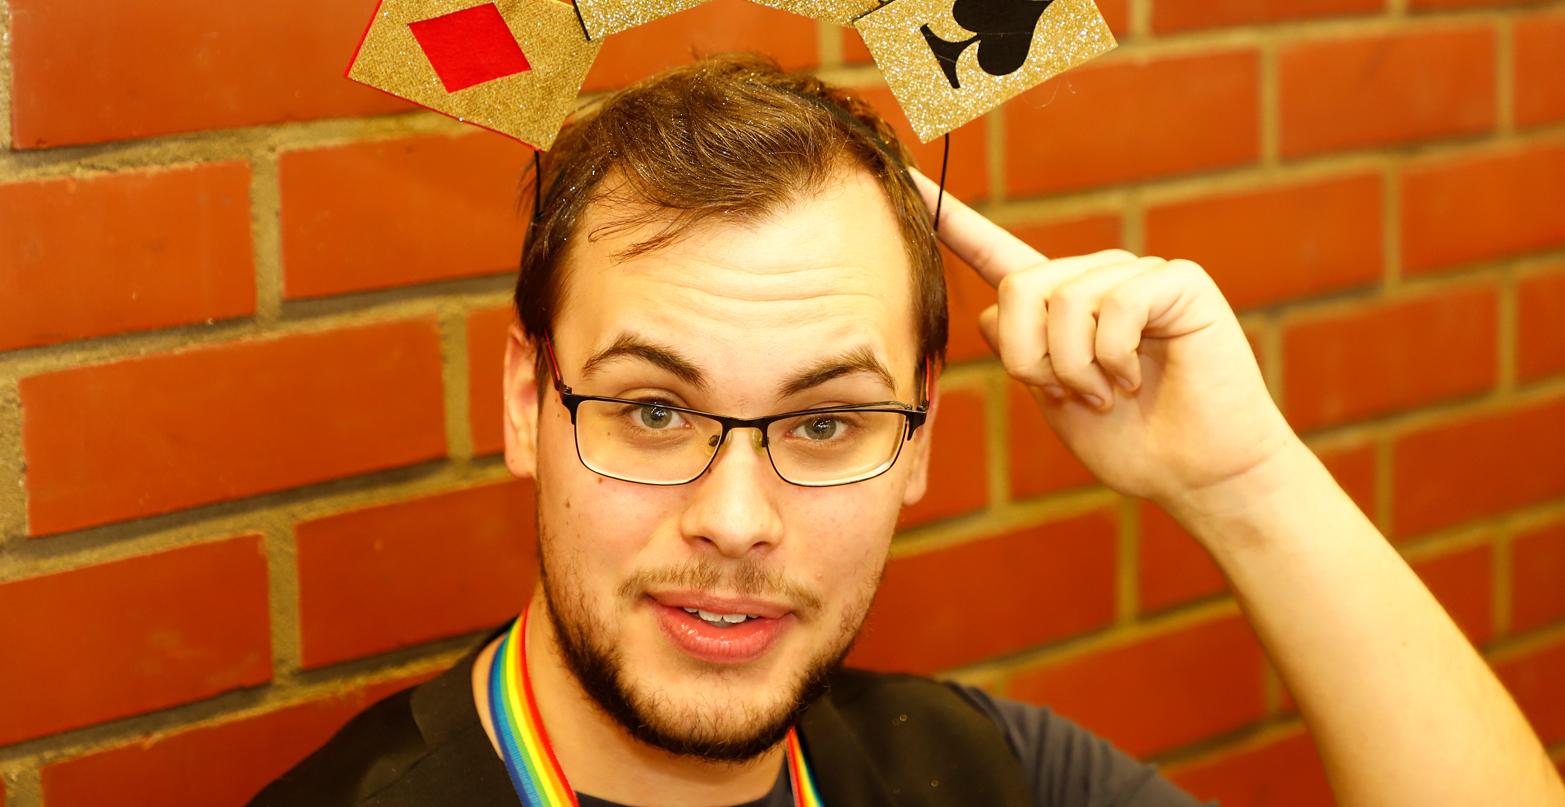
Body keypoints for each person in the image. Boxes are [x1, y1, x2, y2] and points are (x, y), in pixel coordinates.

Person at [251, 56, 1563, 807]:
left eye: (825, 421)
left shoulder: (984, 777)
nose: (736, 521)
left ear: (921, 438)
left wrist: (1248, 481)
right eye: (653, 411)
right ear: (525, 403)